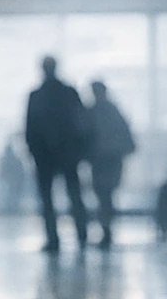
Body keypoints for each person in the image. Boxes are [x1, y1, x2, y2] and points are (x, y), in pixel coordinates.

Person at [25, 56, 89, 252]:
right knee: (74, 196)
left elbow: (30, 127)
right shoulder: (69, 93)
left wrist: (34, 151)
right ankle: (81, 234)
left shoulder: (37, 95)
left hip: (46, 157)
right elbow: (81, 123)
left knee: (49, 199)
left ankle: (54, 238)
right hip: (66, 155)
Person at [86, 81, 135, 249]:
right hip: (109, 159)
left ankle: (106, 228)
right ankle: (107, 228)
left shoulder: (93, 112)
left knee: (104, 194)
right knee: (106, 194)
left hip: (103, 159)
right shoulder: (112, 111)